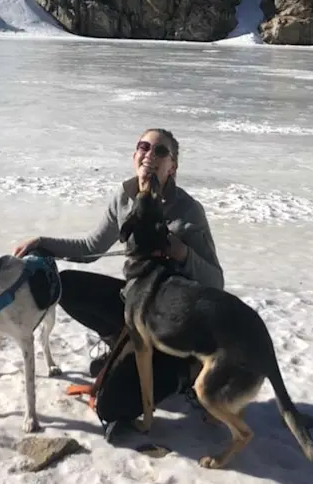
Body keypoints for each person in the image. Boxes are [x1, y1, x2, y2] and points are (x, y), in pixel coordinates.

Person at [13, 127, 224, 375]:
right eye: (143, 147)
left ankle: (175, 362)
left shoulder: (189, 211)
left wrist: (183, 254)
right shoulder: (124, 198)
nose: (149, 155)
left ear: (172, 166)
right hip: (136, 302)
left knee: (117, 406)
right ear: (135, 155)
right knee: (66, 284)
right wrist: (40, 242)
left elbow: (215, 281)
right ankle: (119, 341)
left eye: (160, 151)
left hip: (175, 316)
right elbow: (91, 248)